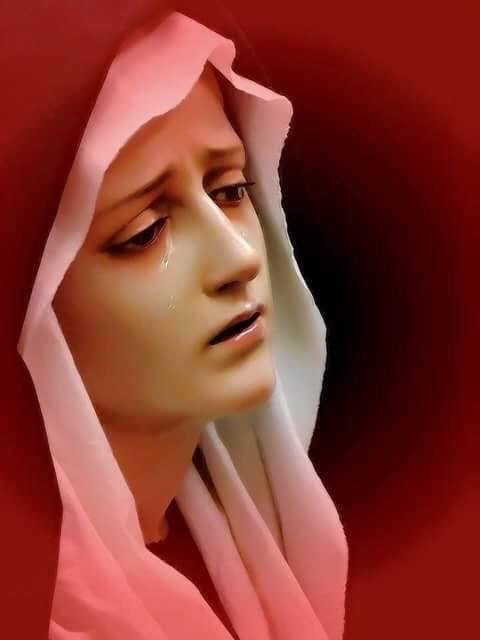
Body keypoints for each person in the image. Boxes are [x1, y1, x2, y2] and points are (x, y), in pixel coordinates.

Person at [17, 9, 348, 640]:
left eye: (231, 190)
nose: (239, 258)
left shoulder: (267, 548)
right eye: (145, 232)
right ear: (31, 307)